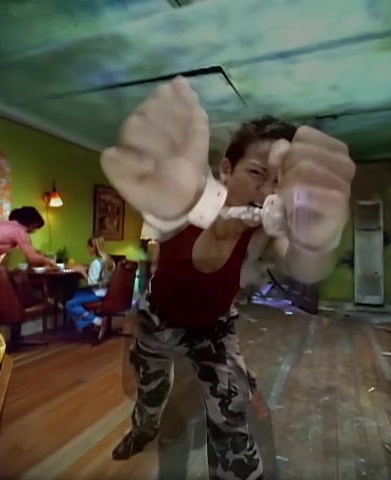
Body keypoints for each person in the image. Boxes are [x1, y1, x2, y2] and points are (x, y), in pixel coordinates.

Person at [99, 77, 355, 479]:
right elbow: (198, 251)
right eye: (256, 173)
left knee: (231, 411)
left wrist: (319, 241)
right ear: (226, 169)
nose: (266, 190)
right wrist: (216, 229)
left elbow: (303, 266)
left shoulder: (268, 228)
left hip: (214, 326)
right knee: (150, 392)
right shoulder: (189, 196)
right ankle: (143, 428)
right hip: (158, 318)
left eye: (279, 181)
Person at [65, 236, 116, 332]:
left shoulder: (96, 263)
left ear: (93, 247)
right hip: (107, 291)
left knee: (70, 304)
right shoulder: (109, 260)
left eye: (88, 247)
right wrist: (88, 268)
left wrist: (82, 272)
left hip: (98, 293)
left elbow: (92, 282)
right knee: (76, 294)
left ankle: (98, 321)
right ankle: (85, 323)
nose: (88, 249)